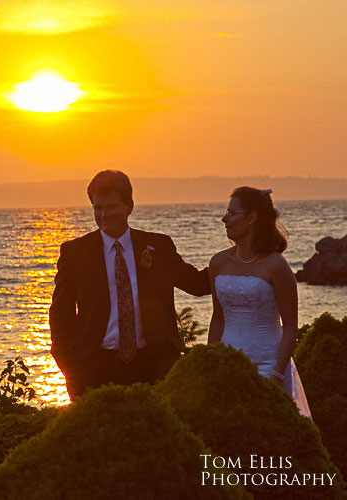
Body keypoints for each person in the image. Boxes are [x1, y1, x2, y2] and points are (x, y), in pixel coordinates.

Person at [49, 170, 210, 400]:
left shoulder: (158, 246)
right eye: (98, 208)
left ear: (129, 206)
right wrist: (69, 367)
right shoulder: (75, 253)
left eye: (111, 207)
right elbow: (60, 314)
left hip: (152, 366)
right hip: (93, 369)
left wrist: (238, 258)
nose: (104, 214)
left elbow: (197, 284)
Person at [208, 186, 311, 417]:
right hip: (227, 366)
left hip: (268, 365)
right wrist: (210, 362)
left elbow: (291, 326)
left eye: (231, 213)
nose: (225, 218)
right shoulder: (218, 263)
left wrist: (277, 373)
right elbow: (218, 317)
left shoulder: (276, 266)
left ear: (252, 217)